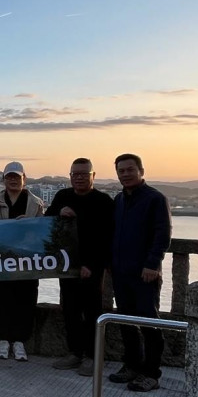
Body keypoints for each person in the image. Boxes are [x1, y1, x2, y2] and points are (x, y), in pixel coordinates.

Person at [109, 153, 172, 392]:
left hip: (145, 272)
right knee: (126, 321)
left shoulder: (156, 199)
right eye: (121, 171)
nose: (125, 174)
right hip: (120, 271)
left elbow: (162, 233)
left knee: (149, 322)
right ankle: (132, 365)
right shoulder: (119, 200)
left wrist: (153, 263)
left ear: (141, 171)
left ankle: (151, 373)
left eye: (129, 170)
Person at [45, 158, 114, 377]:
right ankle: (74, 352)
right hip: (67, 266)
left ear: (93, 176)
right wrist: (58, 213)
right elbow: (46, 224)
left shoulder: (103, 201)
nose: (79, 178)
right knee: (70, 311)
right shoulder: (62, 196)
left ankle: (93, 357)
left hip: (90, 268)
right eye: (75, 174)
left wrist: (91, 266)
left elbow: (106, 237)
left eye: (84, 174)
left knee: (92, 312)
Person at [0, 161, 45, 361]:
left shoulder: (36, 203)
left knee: (26, 298)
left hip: (27, 261)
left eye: (17, 176)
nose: (13, 180)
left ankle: (20, 340)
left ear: (25, 178)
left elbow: (43, 232)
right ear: (4, 179)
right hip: (2, 260)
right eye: (9, 177)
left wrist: (30, 226)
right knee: (1, 299)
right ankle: (3, 339)